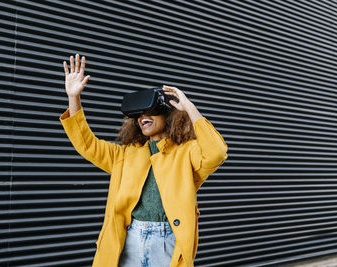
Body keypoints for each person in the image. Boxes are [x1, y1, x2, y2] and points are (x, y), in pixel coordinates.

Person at [60, 54, 228, 267]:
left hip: (166, 243)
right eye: (138, 114)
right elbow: (87, 145)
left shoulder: (187, 153)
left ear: (169, 115)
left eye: (150, 111)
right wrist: (73, 98)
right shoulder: (125, 154)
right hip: (128, 241)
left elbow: (217, 153)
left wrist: (189, 107)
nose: (142, 117)